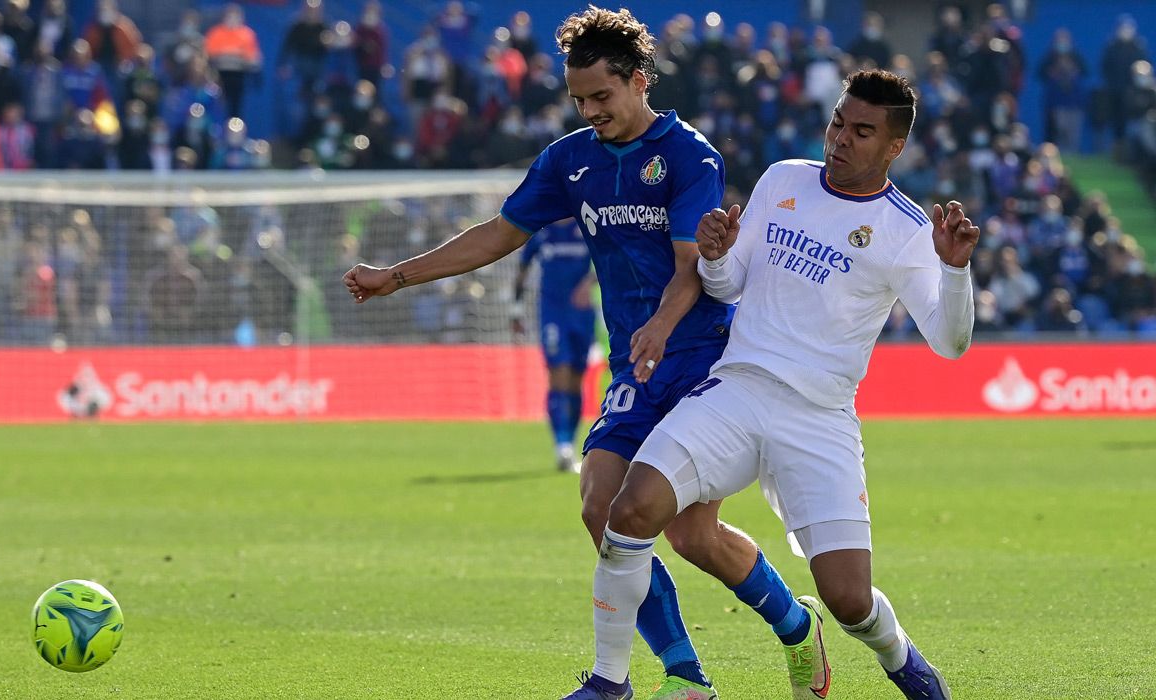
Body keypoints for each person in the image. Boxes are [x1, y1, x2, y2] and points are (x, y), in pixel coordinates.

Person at [345, 8, 823, 700]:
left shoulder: (690, 155)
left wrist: (660, 324)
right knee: (600, 502)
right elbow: (499, 234)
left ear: (638, 81)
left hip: (703, 363)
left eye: (602, 97)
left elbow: (694, 263)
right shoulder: (571, 160)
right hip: (638, 366)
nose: (591, 111)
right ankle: (683, 676)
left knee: (692, 535)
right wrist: (397, 275)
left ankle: (794, 626)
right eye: (579, 101)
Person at [585, 69, 977, 700]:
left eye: (862, 131)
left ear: (894, 147)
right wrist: (716, 253)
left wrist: (955, 271)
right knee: (627, 511)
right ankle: (611, 683)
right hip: (737, 390)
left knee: (849, 601)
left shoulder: (906, 229)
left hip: (819, 417)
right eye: (838, 122)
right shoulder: (783, 179)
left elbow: (950, 343)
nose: (841, 139)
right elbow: (725, 286)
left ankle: (901, 658)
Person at [511, 217, 597, 473]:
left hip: (582, 314)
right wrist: (515, 312)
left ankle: (569, 444)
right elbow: (522, 271)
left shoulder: (586, 226)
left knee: (575, 380)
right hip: (552, 314)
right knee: (558, 375)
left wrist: (588, 283)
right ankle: (562, 446)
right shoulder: (541, 232)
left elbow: (611, 258)